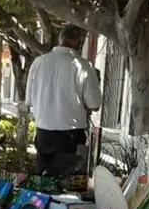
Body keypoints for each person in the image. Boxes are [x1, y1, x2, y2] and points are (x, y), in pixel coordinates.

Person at [25, 24, 102, 176]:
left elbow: (29, 100)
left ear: (60, 40)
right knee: (68, 186)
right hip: (70, 137)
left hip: (43, 134)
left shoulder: (38, 63)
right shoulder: (84, 66)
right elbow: (94, 104)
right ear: (79, 44)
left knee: (44, 183)